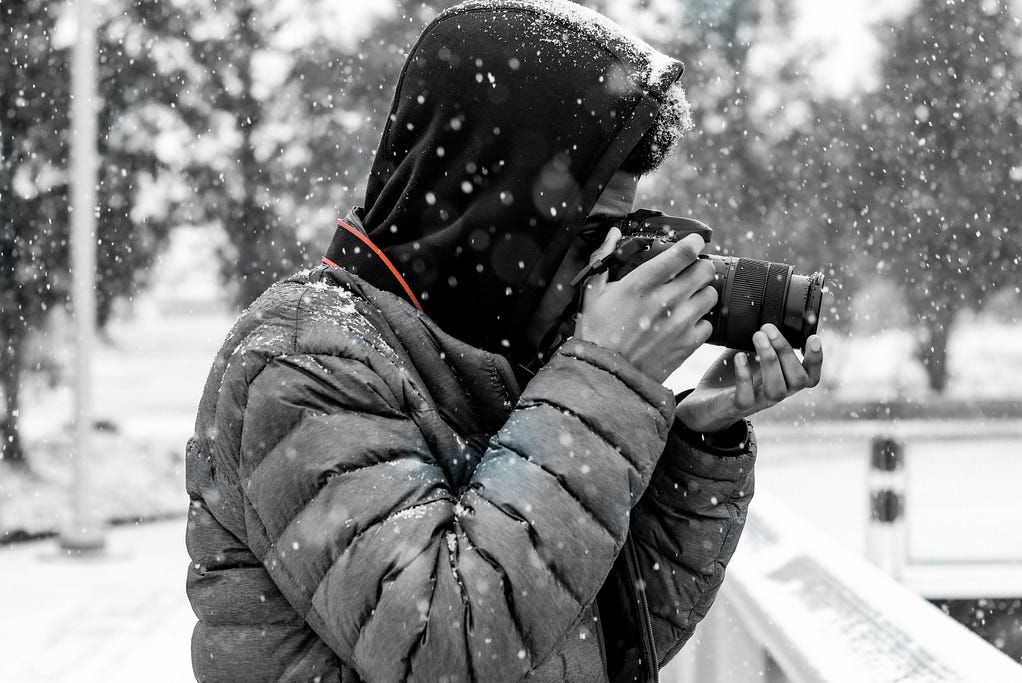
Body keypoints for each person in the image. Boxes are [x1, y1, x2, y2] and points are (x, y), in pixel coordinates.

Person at [184, 1, 823, 681]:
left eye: (619, 232)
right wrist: (606, 382)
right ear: (489, 205)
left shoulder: (500, 351)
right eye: (583, 235)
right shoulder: (302, 362)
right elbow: (453, 646)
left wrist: (693, 440)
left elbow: (596, 638)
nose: (599, 268)